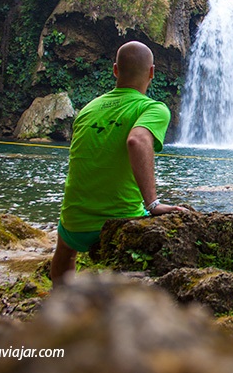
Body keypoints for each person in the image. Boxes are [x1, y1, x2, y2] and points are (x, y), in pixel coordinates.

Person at [51, 41, 188, 286]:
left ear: (115, 70)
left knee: (64, 252)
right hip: (120, 222)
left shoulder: (87, 110)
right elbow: (137, 140)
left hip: (74, 226)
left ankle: (61, 305)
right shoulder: (152, 108)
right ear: (152, 73)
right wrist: (153, 203)